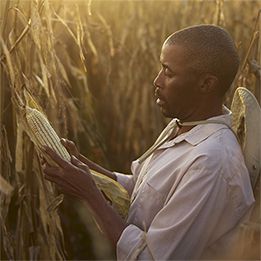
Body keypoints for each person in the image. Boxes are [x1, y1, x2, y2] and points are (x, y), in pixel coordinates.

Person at [42, 24, 255, 260]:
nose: (157, 80)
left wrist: (89, 194)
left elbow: (150, 258)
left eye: (168, 72)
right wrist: (84, 167)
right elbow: (141, 189)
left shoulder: (211, 163)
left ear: (206, 84)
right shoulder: (183, 126)